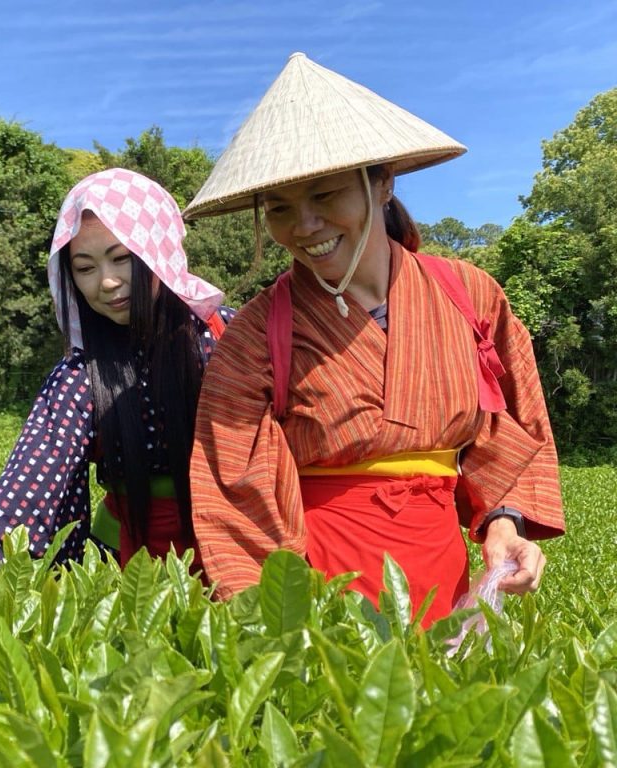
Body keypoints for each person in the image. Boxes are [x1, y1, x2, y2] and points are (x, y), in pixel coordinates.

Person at [184, 53, 565, 626]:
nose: (304, 226)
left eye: (325, 195)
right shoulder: (256, 335)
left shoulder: (470, 295)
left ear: (381, 182)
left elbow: (508, 430)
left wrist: (504, 527)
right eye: (281, 209)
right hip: (321, 583)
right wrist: (274, 624)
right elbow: (235, 488)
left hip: (444, 573)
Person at [0, 168, 234, 568]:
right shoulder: (79, 374)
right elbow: (32, 483)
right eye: (85, 268)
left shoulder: (227, 336)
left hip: (232, 552)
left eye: (122, 259)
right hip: (124, 567)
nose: (107, 283)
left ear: (159, 250)